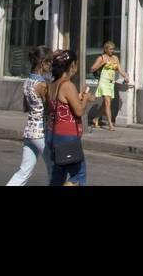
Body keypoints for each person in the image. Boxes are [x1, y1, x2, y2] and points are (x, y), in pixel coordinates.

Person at [6, 46, 52, 186]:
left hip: (29, 130)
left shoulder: (27, 82)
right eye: (49, 61)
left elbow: (26, 107)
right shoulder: (42, 85)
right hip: (41, 131)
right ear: (42, 63)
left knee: (23, 171)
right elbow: (50, 108)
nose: (51, 65)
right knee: (55, 170)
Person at [47, 49, 91, 186]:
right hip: (67, 136)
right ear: (72, 65)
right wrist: (86, 99)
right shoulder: (67, 85)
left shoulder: (52, 85)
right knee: (78, 175)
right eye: (76, 64)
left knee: (58, 173)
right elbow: (78, 111)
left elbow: (59, 106)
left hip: (53, 134)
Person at [88, 41, 125, 131]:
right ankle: (110, 125)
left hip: (111, 83)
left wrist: (125, 76)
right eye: (110, 49)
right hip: (104, 82)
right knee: (108, 103)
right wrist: (101, 64)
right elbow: (91, 69)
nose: (112, 51)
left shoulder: (115, 58)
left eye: (113, 49)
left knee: (106, 103)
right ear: (106, 49)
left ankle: (96, 118)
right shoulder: (102, 57)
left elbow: (120, 69)